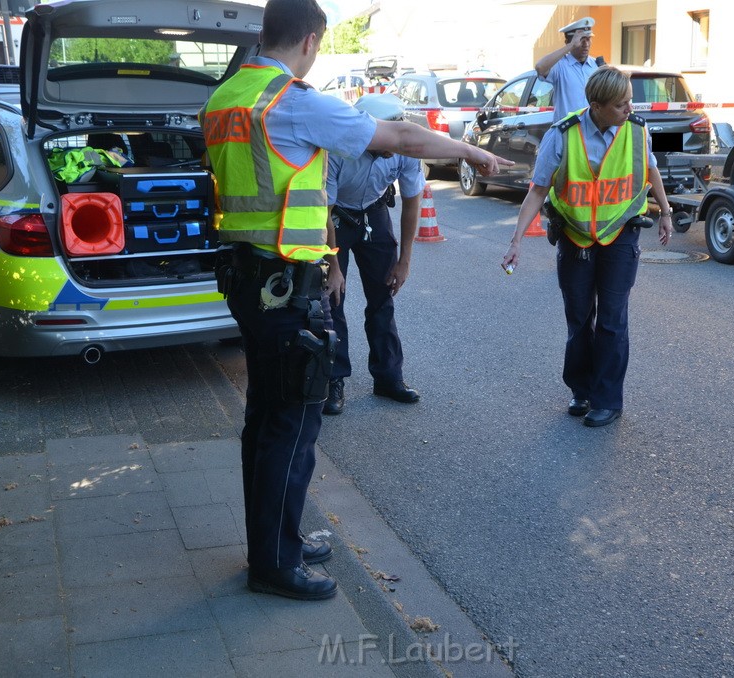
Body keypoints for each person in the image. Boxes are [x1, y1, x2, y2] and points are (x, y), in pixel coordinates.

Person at [201, 0, 510, 602]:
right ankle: (273, 564)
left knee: (266, 417)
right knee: (292, 422)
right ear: (312, 40)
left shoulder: (226, 97)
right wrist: (470, 152)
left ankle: (276, 540)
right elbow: (394, 134)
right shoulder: (290, 101)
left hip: (246, 277)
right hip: (283, 286)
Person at [501, 66, 674, 428]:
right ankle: (581, 390)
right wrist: (517, 239)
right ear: (596, 105)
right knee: (579, 319)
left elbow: (650, 170)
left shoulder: (637, 130)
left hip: (621, 236)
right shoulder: (562, 135)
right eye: (620, 104)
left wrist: (666, 212)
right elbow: (538, 188)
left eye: (629, 101)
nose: (629, 108)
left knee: (612, 320)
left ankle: (607, 400)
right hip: (576, 238)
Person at [323, 94, 424, 416]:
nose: (393, 144)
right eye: (386, 137)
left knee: (383, 296)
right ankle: (333, 381)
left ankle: (388, 378)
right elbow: (322, 213)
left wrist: (404, 261)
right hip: (336, 218)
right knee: (333, 298)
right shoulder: (338, 150)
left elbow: (412, 202)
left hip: (374, 214)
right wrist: (333, 266)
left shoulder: (405, 148)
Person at [535, 17, 601, 123]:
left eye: (588, 39)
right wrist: (571, 46)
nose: (586, 44)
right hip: (568, 131)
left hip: (592, 130)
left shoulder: (597, 65)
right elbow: (540, 67)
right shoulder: (560, 65)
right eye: (581, 40)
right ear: (568, 42)